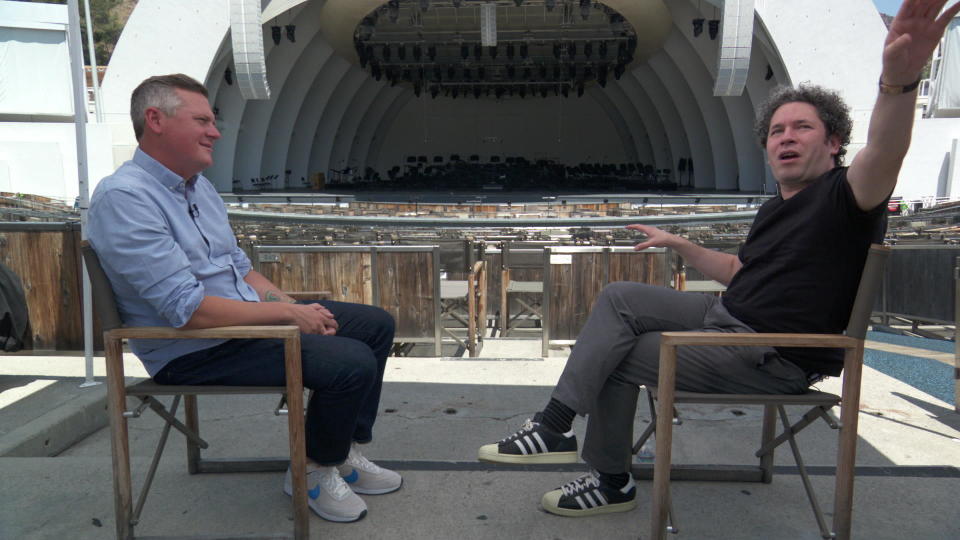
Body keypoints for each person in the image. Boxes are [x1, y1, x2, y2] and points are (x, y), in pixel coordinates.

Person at [478, 0, 960, 518]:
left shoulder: (848, 196)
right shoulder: (776, 208)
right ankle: (555, 426)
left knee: (617, 357)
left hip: (772, 352)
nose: (786, 138)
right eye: (777, 131)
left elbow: (886, 152)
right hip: (730, 319)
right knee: (620, 299)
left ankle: (609, 477)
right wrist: (681, 244)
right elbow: (739, 273)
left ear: (835, 142)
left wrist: (898, 83)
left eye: (802, 128)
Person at [88, 74, 400, 523]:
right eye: (202, 120)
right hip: (193, 348)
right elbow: (187, 310)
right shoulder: (125, 198)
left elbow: (240, 267)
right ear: (155, 120)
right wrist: (287, 316)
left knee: (374, 324)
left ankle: (340, 452)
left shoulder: (198, 186)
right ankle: (310, 471)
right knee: (349, 362)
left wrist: (297, 308)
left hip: (239, 327)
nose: (215, 132)